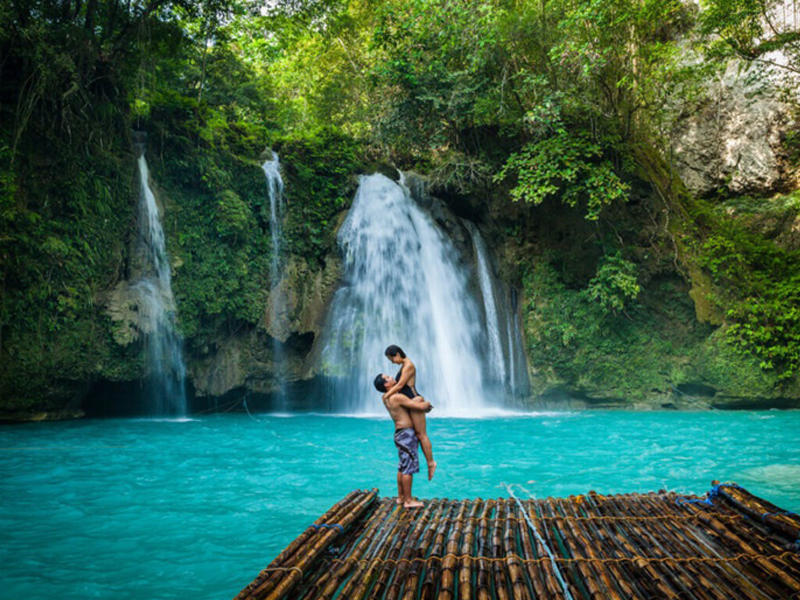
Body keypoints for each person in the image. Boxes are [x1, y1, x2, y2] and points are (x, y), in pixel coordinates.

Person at [373, 374, 432, 508]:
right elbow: (418, 406)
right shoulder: (397, 397)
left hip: (399, 434)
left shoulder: (385, 397)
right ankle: (408, 501)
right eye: (388, 377)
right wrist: (427, 405)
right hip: (407, 434)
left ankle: (400, 497)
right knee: (408, 469)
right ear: (386, 384)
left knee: (402, 467)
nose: (392, 377)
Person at [381, 344, 437, 480]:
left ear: (398, 355)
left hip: (414, 400)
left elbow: (400, 385)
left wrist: (387, 396)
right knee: (416, 434)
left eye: (392, 359)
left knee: (421, 434)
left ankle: (431, 463)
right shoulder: (403, 366)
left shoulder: (409, 365)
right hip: (410, 403)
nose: (392, 362)